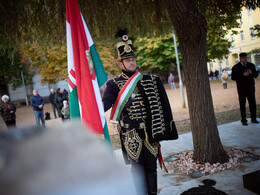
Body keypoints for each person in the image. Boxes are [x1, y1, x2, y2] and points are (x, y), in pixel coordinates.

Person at [102, 28, 178, 195]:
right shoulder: (114, 85)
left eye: (133, 59)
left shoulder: (151, 80)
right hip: (131, 135)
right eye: (127, 60)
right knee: (137, 170)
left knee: (152, 167)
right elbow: (105, 104)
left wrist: (168, 129)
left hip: (150, 133)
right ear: (120, 63)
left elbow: (164, 106)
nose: (132, 62)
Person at [231, 52, 259, 126]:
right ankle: (243, 120)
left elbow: (256, 75)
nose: (245, 59)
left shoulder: (251, 65)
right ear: (240, 58)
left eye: (246, 57)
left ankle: (253, 118)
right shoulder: (235, 67)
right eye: (244, 57)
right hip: (241, 89)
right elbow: (233, 77)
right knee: (242, 104)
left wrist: (251, 72)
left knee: (252, 104)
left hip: (250, 88)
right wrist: (242, 75)